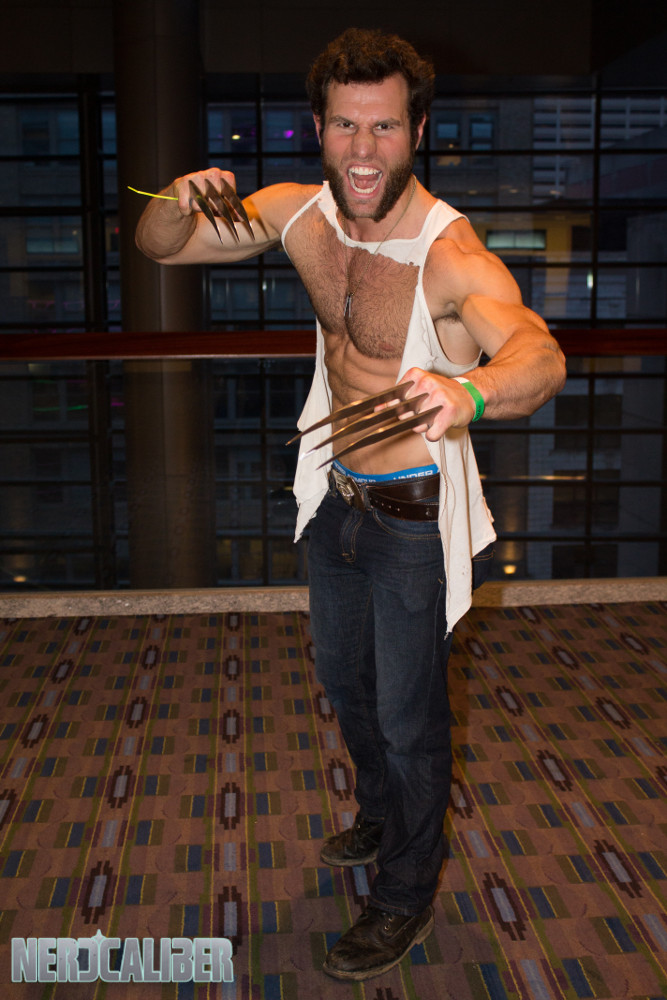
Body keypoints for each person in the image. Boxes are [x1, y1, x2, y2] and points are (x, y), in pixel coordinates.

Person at [135, 27, 566, 981]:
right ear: (319, 127)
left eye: (383, 127)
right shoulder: (300, 214)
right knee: (345, 681)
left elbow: (538, 354)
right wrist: (175, 197)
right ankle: (379, 813)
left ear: (416, 131)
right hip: (333, 498)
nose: (363, 149)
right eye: (344, 126)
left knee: (412, 720)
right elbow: (162, 246)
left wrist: (470, 392)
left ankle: (404, 892)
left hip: (410, 517)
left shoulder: (449, 254)